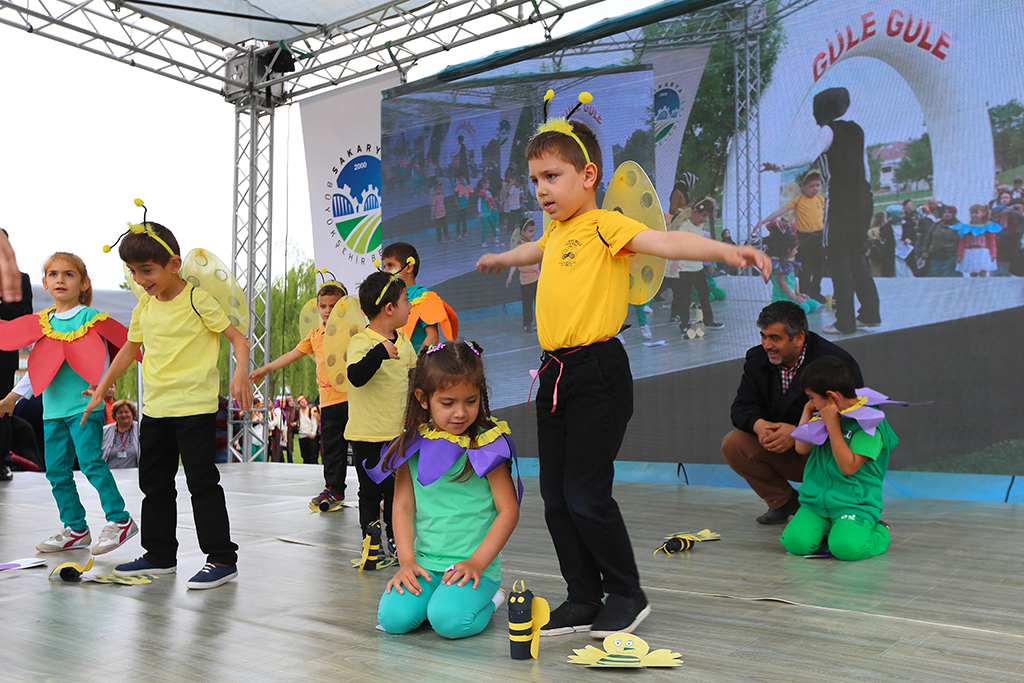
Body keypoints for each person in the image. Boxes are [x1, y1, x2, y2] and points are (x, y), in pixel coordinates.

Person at [476, 112, 770, 637]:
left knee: (587, 492)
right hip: (555, 374)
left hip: (597, 373)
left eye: (552, 177)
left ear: (588, 177)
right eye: (535, 180)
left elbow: (668, 244)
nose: (541, 189)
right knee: (557, 495)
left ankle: (627, 593)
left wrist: (729, 251)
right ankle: (584, 596)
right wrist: (502, 257)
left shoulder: (604, 225)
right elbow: (534, 251)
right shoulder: (556, 231)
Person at [84, 220, 253, 589]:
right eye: (133, 271)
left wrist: (240, 372)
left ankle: (222, 558)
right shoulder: (145, 305)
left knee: (202, 483)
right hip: (156, 411)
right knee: (154, 484)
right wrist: (102, 388)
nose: (141, 279)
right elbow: (130, 349)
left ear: (173, 265)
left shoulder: (197, 299)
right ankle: (160, 556)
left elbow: (238, 339)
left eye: (147, 270)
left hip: (195, 408)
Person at [369, 340, 519, 639]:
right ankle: (437, 600)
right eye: (448, 403)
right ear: (424, 399)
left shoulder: (486, 444)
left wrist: (476, 562)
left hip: (474, 567)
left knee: (449, 623)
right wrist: (407, 563)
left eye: (471, 401)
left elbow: (508, 510)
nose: (461, 413)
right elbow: (402, 507)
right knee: (394, 619)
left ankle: (492, 597)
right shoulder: (411, 446)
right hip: (425, 565)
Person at [0, 252, 138, 554]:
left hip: (83, 407)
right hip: (53, 411)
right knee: (57, 471)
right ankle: (76, 528)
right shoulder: (43, 323)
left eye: (68, 274)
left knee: (90, 463)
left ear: (84, 283)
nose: (60, 280)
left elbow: (98, 355)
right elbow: (38, 366)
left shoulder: (89, 318)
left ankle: (121, 520)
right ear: (45, 283)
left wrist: (99, 385)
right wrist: (12, 398)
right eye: (53, 274)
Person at [722, 301, 863, 525]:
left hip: (823, 454)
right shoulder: (756, 360)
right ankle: (783, 501)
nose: (767, 345)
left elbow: (851, 419)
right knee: (733, 443)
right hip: (785, 451)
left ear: (798, 338)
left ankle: (846, 509)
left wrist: (799, 432)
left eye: (775, 338)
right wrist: (760, 426)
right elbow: (741, 407)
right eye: (763, 336)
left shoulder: (836, 363)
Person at [763, 88, 880, 335]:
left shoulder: (829, 130)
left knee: (838, 260)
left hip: (842, 202)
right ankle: (870, 314)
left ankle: (845, 322)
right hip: (864, 199)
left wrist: (779, 166)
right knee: (857, 257)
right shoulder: (856, 130)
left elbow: (809, 156)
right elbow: (866, 166)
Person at [779, 356, 895, 561]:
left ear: (832, 397)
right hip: (816, 502)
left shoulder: (869, 423)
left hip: (854, 504)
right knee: (795, 543)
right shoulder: (825, 411)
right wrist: (808, 411)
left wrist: (833, 425)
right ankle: (834, 531)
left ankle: (880, 530)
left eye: (811, 397)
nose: (811, 403)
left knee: (847, 549)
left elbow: (848, 467)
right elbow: (801, 447)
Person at [250, 280, 350, 509]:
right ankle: (334, 490)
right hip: (328, 402)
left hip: (355, 400)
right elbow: (292, 354)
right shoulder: (315, 335)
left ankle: (376, 491)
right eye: (323, 306)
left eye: (333, 306)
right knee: (332, 448)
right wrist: (266, 369)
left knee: (364, 448)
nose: (327, 311)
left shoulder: (354, 332)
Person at [346, 270, 416, 556]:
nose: (410, 306)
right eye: (406, 300)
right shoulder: (361, 342)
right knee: (370, 492)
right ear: (390, 308)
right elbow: (356, 376)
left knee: (396, 493)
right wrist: (379, 352)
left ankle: (397, 541)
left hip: (398, 436)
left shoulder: (405, 342)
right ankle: (370, 542)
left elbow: (414, 380)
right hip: (366, 435)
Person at [756, 171, 827, 303]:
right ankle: (804, 293)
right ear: (804, 186)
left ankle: (816, 291)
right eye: (811, 186)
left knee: (819, 267)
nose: (815, 189)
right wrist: (763, 221)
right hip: (804, 238)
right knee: (805, 267)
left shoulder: (821, 200)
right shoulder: (798, 200)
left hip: (819, 237)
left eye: (818, 185)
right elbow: (781, 211)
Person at [382, 242, 457, 350]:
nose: (385, 271)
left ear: (408, 267)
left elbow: (432, 336)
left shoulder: (424, 297)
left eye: (391, 265)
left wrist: (417, 364)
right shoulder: (387, 297)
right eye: (385, 266)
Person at [0, 229, 31, 481]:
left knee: (2, 407)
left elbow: (23, 315)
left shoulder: (20, 279)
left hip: (3, 353)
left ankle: (2, 460)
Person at [668, 199, 725, 334]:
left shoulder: (699, 227)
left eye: (707, 216)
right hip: (684, 268)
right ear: (695, 212)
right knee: (685, 297)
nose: (704, 219)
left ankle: (709, 320)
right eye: (703, 215)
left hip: (697, 267)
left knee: (704, 294)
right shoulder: (683, 226)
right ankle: (685, 323)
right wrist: (675, 262)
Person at [766, 233, 819, 314]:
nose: (797, 251)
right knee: (805, 308)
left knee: (814, 305)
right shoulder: (778, 265)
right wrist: (794, 297)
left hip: (792, 296)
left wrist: (798, 294)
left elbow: (794, 279)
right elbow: (782, 283)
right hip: (782, 298)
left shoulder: (790, 262)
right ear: (788, 249)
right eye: (796, 249)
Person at [505, 219, 541, 333]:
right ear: (523, 232)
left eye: (533, 231)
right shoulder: (520, 247)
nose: (532, 234)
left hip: (537, 279)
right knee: (527, 303)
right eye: (530, 231)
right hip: (526, 281)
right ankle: (527, 324)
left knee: (540, 303)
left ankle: (543, 323)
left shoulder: (533, 244)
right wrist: (510, 276)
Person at [956, 204, 1000, 277]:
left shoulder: (988, 227)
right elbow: (962, 243)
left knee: (983, 271)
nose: (973, 215)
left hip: (983, 251)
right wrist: (960, 254)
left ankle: (983, 286)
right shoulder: (967, 228)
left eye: (976, 213)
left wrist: (993, 254)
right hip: (970, 251)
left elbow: (992, 242)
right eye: (971, 213)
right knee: (972, 271)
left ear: (983, 213)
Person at [921, 205, 963, 277]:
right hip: (935, 255)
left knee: (947, 276)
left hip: (950, 256)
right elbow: (928, 238)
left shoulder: (958, 226)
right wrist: (925, 250)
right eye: (945, 212)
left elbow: (961, 242)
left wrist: (960, 255)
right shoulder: (936, 225)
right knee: (933, 275)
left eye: (949, 212)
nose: (947, 214)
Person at [102, 399, 140, 469]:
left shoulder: (140, 430)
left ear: (132, 413)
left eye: (126, 412)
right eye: (120, 412)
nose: (124, 415)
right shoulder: (105, 431)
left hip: (134, 476)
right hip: (111, 475)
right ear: (115, 415)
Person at [295, 395, 320, 465]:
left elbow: (314, 423)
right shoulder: (298, 412)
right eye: (302, 402)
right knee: (304, 454)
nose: (304, 403)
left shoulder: (311, 411)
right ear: (299, 404)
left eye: (305, 401)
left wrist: (313, 432)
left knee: (313, 454)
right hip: (302, 435)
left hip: (311, 435)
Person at [454, 174, 472, 239]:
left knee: (464, 220)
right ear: (458, 180)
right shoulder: (457, 187)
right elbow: (455, 196)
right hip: (459, 206)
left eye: (463, 178)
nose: (462, 180)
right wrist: (457, 204)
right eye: (460, 178)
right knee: (459, 221)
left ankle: (464, 232)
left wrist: (467, 204)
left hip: (465, 205)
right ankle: (458, 233)